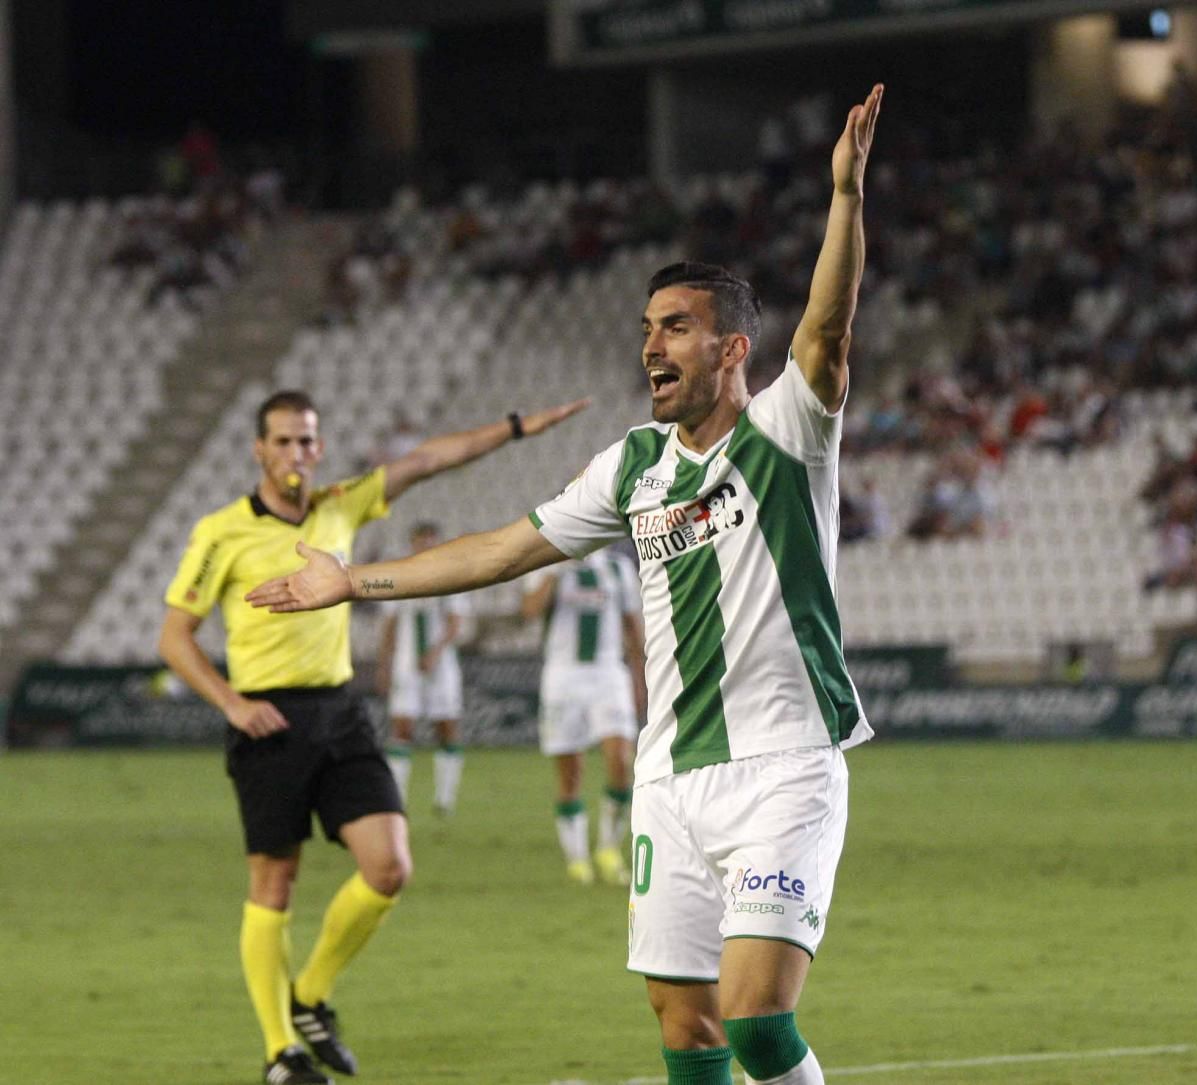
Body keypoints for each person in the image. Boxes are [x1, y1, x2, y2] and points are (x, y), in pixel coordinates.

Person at [248, 84, 883, 1085]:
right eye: (647, 327)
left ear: (730, 349)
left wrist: (844, 199)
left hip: (785, 765)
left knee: (758, 1016)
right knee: (686, 1025)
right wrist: (352, 581)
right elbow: (502, 549)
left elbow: (828, 333)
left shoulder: (786, 434)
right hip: (672, 776)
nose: (651, 346)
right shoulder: (631, 466)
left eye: (676, 327)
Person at [158, 389, 587, 1085]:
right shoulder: (221, 531)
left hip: (340, 708)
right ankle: (280, 1053)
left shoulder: (341, 503)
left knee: (389, 866)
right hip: (267, 717)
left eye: (308, 440)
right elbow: (174, 637)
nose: (298, 452)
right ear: (259, 450)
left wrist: (514, 427)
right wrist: (233, 704)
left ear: (319, 448)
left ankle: (310, 993)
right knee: (274, 882)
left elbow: (427, 460)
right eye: (285, 440)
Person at [519, 548, 646, 885]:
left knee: (621, 760)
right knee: (570, 772)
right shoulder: (547, 561)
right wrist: (554, 570)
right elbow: (529, 610)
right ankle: (577, 858)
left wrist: (641, 676)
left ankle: (608, 848)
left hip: (608, 674)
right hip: (563, 676)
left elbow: (633, 627)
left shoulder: (618, 567)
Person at [377, 521, 472, 815]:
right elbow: (390, 627)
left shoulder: (451, 577)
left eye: (432, 542)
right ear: (413, 545)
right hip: (407, 666)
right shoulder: (399, 577)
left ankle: (445, 799)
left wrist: (435, 652)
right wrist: (384, 665)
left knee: (446, 728)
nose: (427, 547)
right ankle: (398, 801)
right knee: (402, 728)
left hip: (442, 668)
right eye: (422, 542)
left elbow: (456, 624)